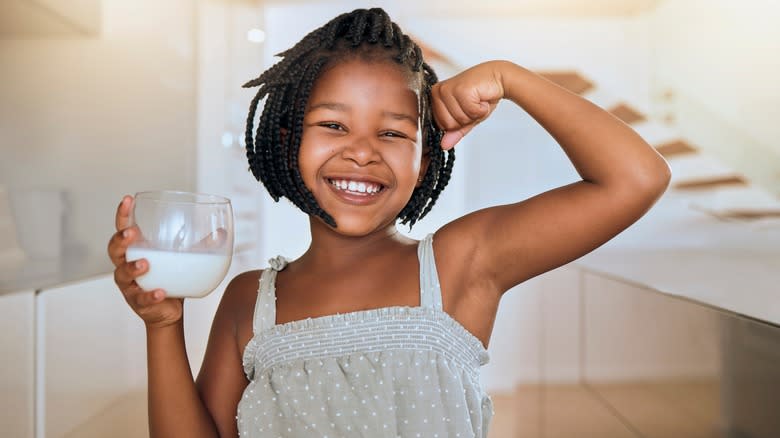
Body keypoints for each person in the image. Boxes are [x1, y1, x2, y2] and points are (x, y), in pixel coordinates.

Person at [107, 7, 670, 438]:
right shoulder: (249, 301)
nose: (362, 152)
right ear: (286, 140)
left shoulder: (460, 264)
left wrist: (510, 77)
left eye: (394, 133)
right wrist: (162, 325)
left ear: (425, 159)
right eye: (332, 125)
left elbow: (635, 178)